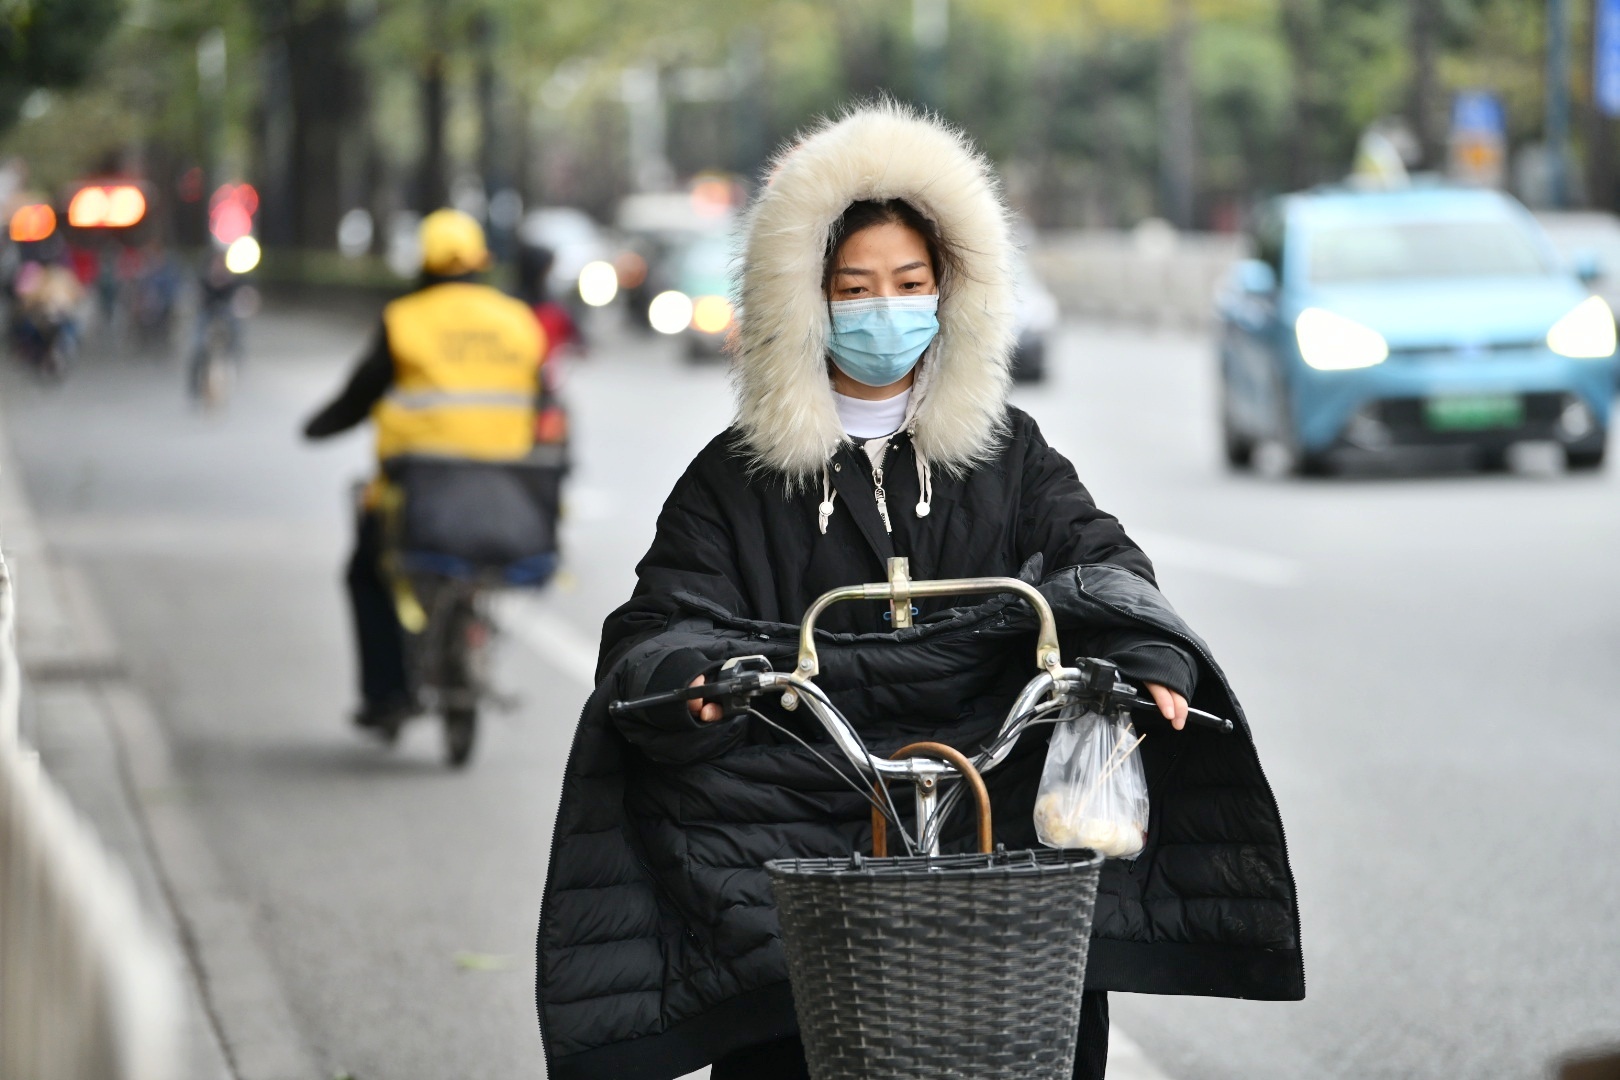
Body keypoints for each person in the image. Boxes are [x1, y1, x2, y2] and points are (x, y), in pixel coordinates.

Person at [536, 104, 1303, 1080]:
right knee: (778, 1025)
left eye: (908, 283)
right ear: (805, 300)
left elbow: (1097, 557)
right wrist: (686, 677)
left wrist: (1146, 654)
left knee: (1049, 1020)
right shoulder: (733, 478)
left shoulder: (1009, 453)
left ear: (950, 291)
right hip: (801, 813)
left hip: (988, 801)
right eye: (854, 287)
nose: (883, 307)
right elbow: (662, 620)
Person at [302, 209, 545, 732]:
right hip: (511, 490)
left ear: (425, 264)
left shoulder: (405, 321)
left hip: (422, 490)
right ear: (482, 262)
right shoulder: (518, 321)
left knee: (368, 571)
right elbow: (544, 400)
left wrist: (316, 428)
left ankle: (388, 696)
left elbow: (359, 396)